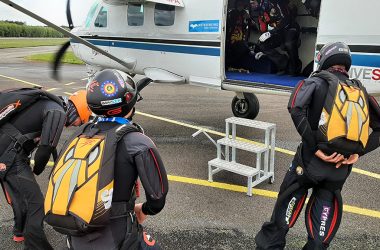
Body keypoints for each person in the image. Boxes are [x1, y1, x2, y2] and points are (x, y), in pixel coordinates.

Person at [254, 42, 380, 249]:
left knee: (282, 219)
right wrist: (358, 153)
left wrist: (315, 148)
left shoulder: (316, 82)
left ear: (323, 59)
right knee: (320, 233)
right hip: (339, 171)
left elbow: (296, 108)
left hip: (308, 164)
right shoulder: (360, 91)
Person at [63, 70, 169, 249]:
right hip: (117, 237)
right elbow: (157, 199)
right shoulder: (137, 142)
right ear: (129, 103)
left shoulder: (78, 137)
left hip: (75, 234)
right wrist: (143, 210)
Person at [0, 89, 91, 249]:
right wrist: (37, 171)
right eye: (81, 121)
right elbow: (45, 150)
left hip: (9, 152)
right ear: (80, 112)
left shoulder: (50, 104)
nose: (78, 125)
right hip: (9, 156)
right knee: (37, 204)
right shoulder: (57, 112)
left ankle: (20, 231)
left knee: (24, 195)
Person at [255, 0, 302, 75]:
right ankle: (285, 64)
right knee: (263, 44)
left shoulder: (275, 5)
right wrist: (263, 51)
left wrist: (270, 33)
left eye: (253, 2)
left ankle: (295, 67)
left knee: (288, 44)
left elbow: (286, 20)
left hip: (290, 28)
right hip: (278, 33)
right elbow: (263, 30)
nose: (252, 5)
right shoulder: (261, 13)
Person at [226, 0, 256, 70]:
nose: (241, 6)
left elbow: (253, 25)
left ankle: (236, 65)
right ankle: (229, 65)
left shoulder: (245, 13)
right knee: (233, 50)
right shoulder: (232, 13)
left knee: (242, 49)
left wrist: (248, 18)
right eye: (239, 4)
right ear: (236, 5)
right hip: (232, 36)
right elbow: (229, 24)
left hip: (241, 35)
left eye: (242, 4)